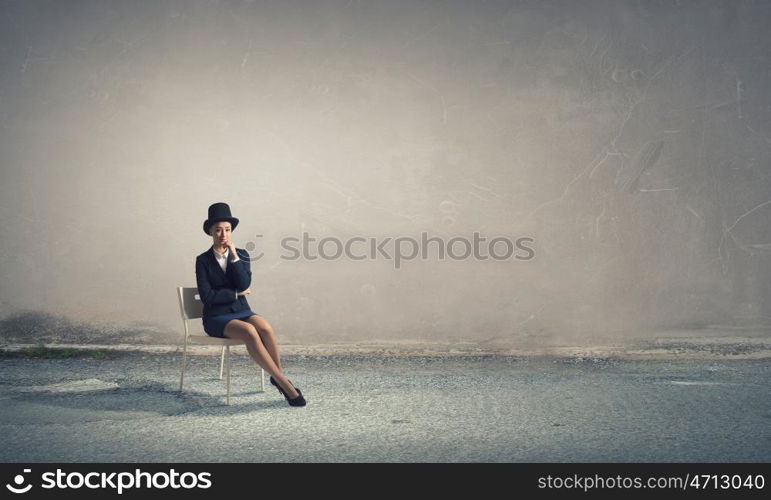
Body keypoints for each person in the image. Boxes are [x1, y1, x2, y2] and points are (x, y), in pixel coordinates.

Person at [195, 202, 306, 407]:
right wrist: (235, 293)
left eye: (227, 230)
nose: (223, 235)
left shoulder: (243, 255)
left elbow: (245, 283)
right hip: (216, 317)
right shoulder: (202, 260)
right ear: (211, 232)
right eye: (218, 230)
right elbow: (207, 297)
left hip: (241, 310)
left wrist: (235, 257)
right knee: (249, 331)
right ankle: (286, 385)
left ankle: (277, 377)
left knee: (265, 327)